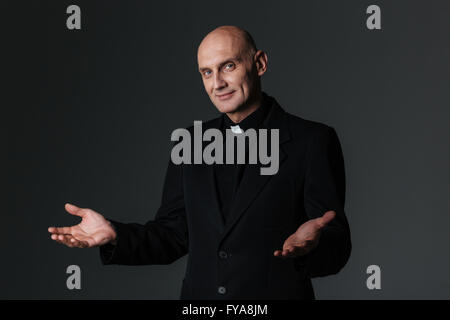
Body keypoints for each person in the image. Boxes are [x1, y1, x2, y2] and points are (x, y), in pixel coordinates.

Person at [48, 25, 351, 300]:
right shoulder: (191, 142)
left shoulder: (312, 141)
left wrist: (314, 245)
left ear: (259, 64)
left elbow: (337, 245)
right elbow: (173, 234)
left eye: (228, 66)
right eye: (207, 72)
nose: (217, 83)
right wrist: (115, 234)